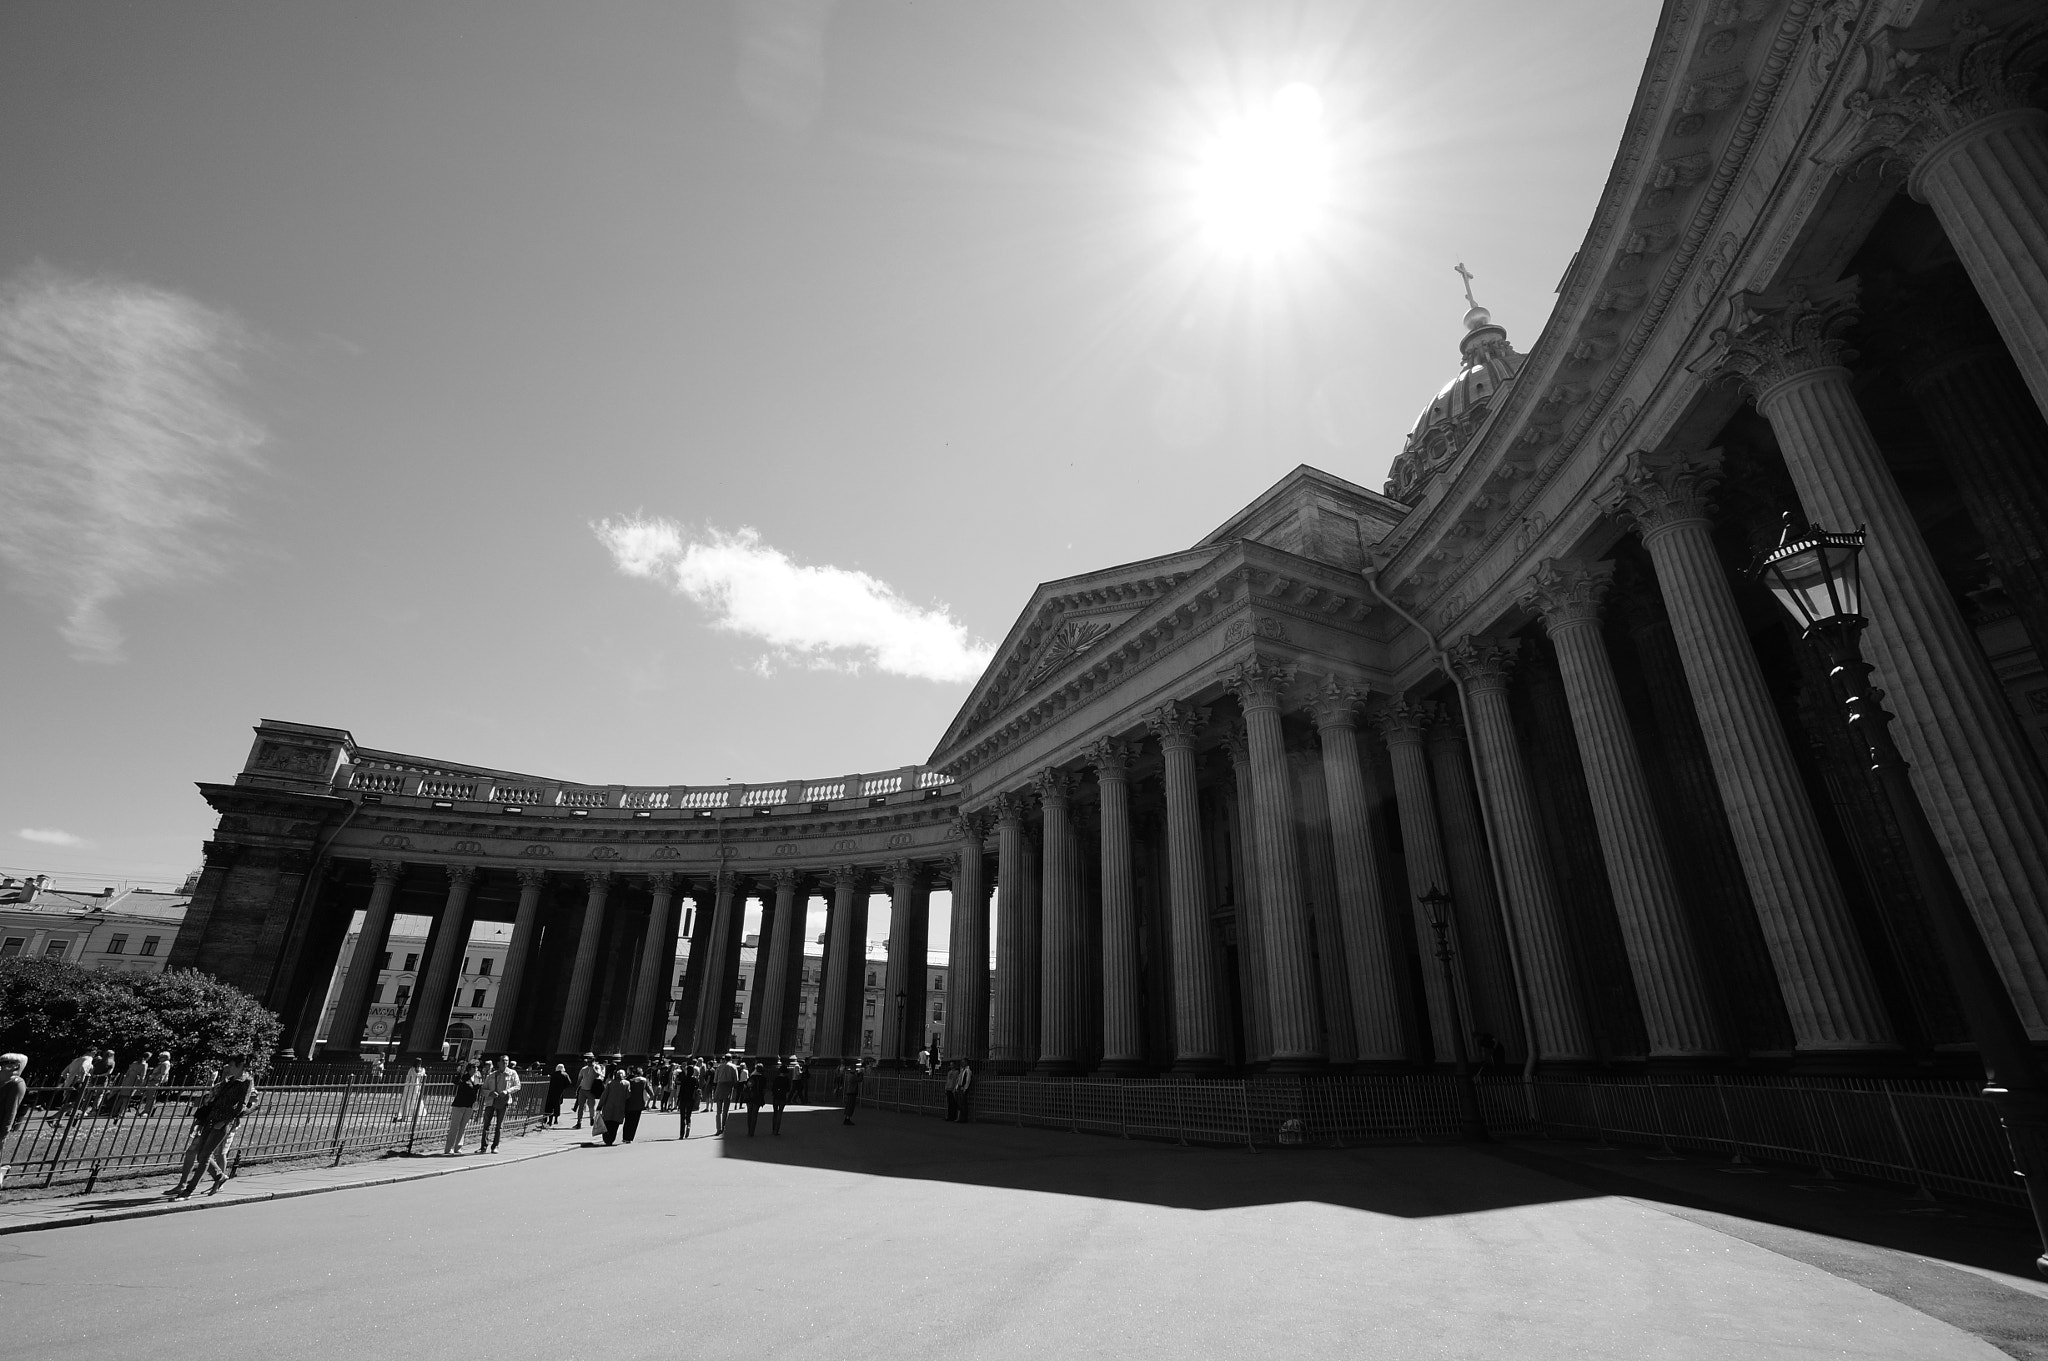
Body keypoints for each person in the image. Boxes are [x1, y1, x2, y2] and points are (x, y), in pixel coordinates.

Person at [166, 1056, 257, 1199]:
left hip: (222, 1123)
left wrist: (226, 1120)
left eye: (232, 1065)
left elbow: (242, 1105)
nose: (229, 1067)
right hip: (210, 1119)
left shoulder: (247, 1081)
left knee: (206, 1155)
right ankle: (220, 1176)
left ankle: (189, 1190)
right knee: (200, 1154)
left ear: (240, 1066)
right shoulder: (229, 1080)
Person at [479, 1054, 521, 1152]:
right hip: (491, 1102)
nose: (505, 1062)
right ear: (498, 1063)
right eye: (503, 1060)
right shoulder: (491, 1076)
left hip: (503, 1101)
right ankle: (483, 1146)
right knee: (486, 1125)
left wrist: (507, 1091)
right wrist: (490, 1093)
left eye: (506, 1061)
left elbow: (518, 1086)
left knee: (499, 1125)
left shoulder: (512, 1073)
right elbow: (483, 1090)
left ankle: (495, 1146)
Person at [444, 1060, 482, 1155]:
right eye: (474, 1067)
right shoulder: (464, 1077)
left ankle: (458, 1146)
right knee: (454, 1127)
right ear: (469, 1069)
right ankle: (449, 1148)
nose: (476, 1069)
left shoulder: (477, 1079)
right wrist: (461, 1072)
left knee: (463, 1127)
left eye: (477, 1068)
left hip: (470, 1105)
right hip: (459, 1104)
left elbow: (478, 1090)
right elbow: (455, 1082)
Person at [598, 1066, 630, 1146]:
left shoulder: (610, 1083)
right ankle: (611, 1139)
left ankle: (606, 1139)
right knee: (614, 1125)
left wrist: (600, 1106)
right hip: (619, 1108)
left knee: (607, 1124)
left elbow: (604, 1095)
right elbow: (628, 1096)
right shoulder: (626, 1084)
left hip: (608, 1107)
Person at [622, 1066, 652, 1144]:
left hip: (629, 1103)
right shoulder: (644, 1081)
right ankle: (630, 1138)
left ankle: (625, 1137)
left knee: (627, 1121)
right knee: (634, 1122)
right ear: (641, 1073)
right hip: (639, 1104)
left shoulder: (629, 1081)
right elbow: (651, 1093)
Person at [0, 1053, 26, 1138]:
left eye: (5, 1062)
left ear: (15, 1066)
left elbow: (11, 1110)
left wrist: (3, 1134)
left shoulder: (16, 1083)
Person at [713, 1053, 739, 1135]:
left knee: (718, 1110)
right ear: (731, 1059)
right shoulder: (733, 1067)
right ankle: (723, 1127)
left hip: (719, 1087)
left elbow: (715, 1080)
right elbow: (736, 1080)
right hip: (728, 1087)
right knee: (725, 1110)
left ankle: (718, 1128)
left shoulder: (719, 1067)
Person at [573, 1053, 601, 1128]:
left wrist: (593, 1068)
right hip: (583, 1089)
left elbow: (598, 1075)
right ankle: (579, 1122)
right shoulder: (583, 1069)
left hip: (591, 1090)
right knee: (581, 1106)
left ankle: (592, 1118)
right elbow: (579, 1079)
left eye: (590, 1062)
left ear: (593, 1062)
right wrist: (576, 1089)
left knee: (591, 1106)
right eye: (588, 1062)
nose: (589, 1063)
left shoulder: (596, 1068)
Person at [396, 1058, 428, 1125]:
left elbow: (408, 1079)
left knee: (412, 1101)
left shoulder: (417, 1070)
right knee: (412, 1101)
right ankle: (408, 1116)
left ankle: (410, 1116)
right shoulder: (414, 1069)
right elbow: (419, 1079)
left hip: (413, 1087)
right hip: (413, 1087)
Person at [674, 1059, 701, 1139]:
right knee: (688, 1115)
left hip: (683, 1098)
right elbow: (697, 1088)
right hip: (691, 1099)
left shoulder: (684, 1079)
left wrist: (678, 1101)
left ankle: (681, 1134)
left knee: (682, 1116)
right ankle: (688, 1125)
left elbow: (681, 1090)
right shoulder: (695, 1080)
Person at [743, 1058, 768, 1136]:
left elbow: (746, 1086)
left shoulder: (752, 1077)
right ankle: (752, 1131)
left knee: (749, 1113)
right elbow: (764, 1090)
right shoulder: (764, 1079)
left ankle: (749, 1130)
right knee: (754, 1114)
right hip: (758, 1097)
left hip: (750, 1097)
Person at [143, 1051, 173, 1116]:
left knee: (151, 1096)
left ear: (165, 1057)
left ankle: (147, 1111)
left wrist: (155, 1078)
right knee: (149, 1096)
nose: (159, 1058)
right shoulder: (162, 1063)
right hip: (153, 1081)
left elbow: (163, 1073)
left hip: (155, 1081)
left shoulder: (165, 1063)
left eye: (161, 1057)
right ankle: (146, 1110)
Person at [769, 1057, 792, 1135]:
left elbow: (773, 1088)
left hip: (776, 1096)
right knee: (780, 1113)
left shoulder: (776, 1079)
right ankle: (777, 1130)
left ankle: (773, 1129)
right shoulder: (786, 1079)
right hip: (783, 1097)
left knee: (775, 1113)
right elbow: (788, 1089)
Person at [842, 1058, 865, 1126]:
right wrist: (861, 1074)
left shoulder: (850, 1075)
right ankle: (847, 1118)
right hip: (852, 1092)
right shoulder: (852, 1076)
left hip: (850, 1091)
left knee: (849, 1105)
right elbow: (860, 1080)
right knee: (850, 1106)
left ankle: (847, 1118)